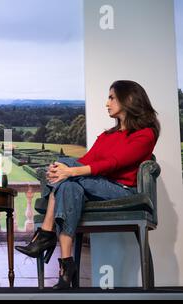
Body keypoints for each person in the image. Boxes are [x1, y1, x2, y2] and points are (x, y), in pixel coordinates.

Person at [15, 80, 160, 289]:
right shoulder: (107, 136)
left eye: (111, 97)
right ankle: (66, 267)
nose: (107, 103)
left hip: (122, 191)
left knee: (67, 170)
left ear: (128, 99)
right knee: (68, 186)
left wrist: (68, 170)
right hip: (94, 186)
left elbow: (114, 163)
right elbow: (86, 161)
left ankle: (46, 234)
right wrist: (64, 170)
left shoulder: (145, 134)